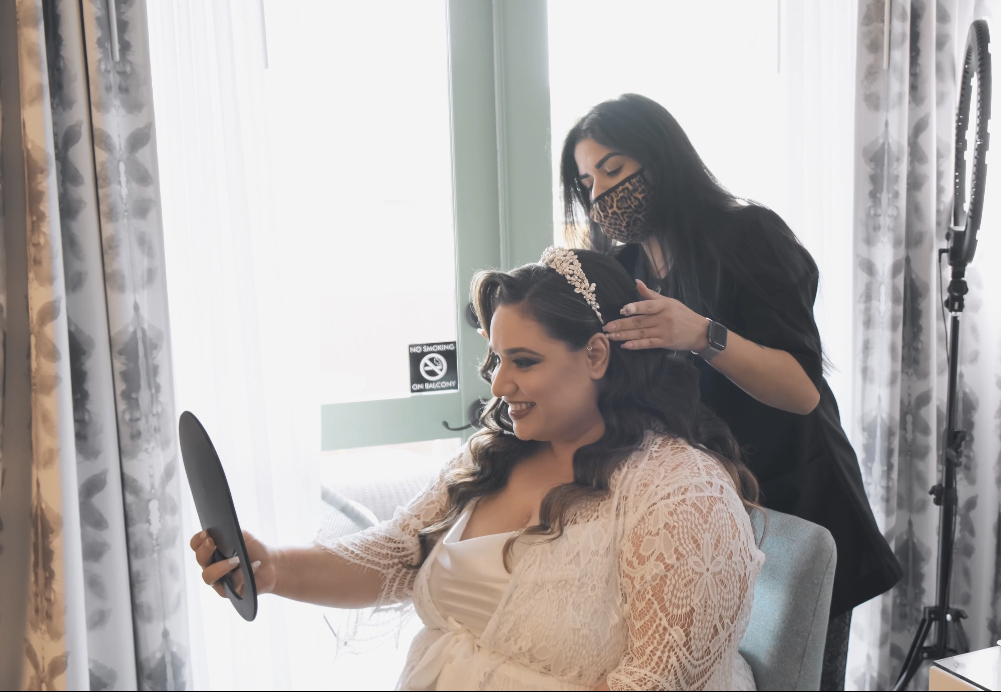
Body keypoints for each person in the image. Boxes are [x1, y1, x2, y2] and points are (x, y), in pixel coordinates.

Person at [191, 248, 764, 691]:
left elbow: (653, 683)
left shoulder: (682, 494)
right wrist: (271, 568)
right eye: (495, 358)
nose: (497, 384)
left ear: (595, 355)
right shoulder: (495, 455)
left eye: (524, 361)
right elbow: (397, 555)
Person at [560, 94, 903, 688]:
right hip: (710, 515)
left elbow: (801, 391)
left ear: (662, 159)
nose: (601, 195)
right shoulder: (621, 265)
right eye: (587, 182)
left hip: (796, 501)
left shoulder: (749, 236)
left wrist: (699, 333)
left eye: (614, 170)